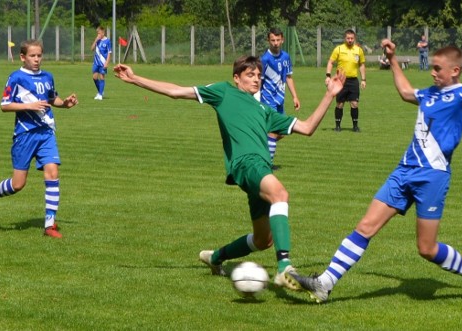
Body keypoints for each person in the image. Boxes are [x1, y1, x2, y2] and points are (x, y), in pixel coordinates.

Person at [287, 39, 462, 303]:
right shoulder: (428, 94)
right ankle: (325, 282)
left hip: (432, 177)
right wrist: (392, 59)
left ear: (455, 71)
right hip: (404, 171)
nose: (433, 72)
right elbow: (405, 92)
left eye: (438, 68)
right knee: (366, 226)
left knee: (426, 248)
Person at [113, 56, 345, 289]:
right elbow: (176, 92)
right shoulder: (224, 92)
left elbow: (307, 127)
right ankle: (285, 267)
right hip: (246, 164)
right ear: (236, 78)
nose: (256, 79)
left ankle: (214, 257)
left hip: (260, 168)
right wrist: (134, 79)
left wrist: (329, 94)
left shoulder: (264, 110)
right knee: (280, 194)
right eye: (250, 75)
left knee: (263, 240)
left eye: (258, 75)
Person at [0, 39, 79, 238]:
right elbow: (5, 105)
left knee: (52, 172)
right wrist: (29, 106)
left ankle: (49, 225)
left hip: (46, 132)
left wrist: (64, 103)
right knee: (18, 184)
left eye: (39, 55)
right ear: (23, 57)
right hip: (25, 134)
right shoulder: (16, 78)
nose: (37, 59)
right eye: (32, 56)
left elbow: (51, 99)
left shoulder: (48, 76)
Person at [259, 27, 301, 169]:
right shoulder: (265, 60)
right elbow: (259, 82)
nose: (275, 43)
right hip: (267, 100)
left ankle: (260, 146)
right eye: (273, 40)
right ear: (268, 41)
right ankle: (267, 164)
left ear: (282, 40)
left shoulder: (285, 57)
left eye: (278, 40)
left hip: (280, 100)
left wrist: (295, 97)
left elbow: (288, 77)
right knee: (274, 131)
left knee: (281, 131)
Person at [325, 29, 366, 132]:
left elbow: (361, 65)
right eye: (348, 38)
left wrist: (363, 79)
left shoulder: (358, 50)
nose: (350, 40)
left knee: (354, 104)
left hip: (353, 81)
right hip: (341, 81)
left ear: (354, 38)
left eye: (352, 38)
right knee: (339, 103)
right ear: (345, 38)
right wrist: (328, 76)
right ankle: (337, 126)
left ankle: (355, 126)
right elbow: (330, 62)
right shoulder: (338, 49)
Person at [91, 26, 112, 100]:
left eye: (99, 33)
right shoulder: (97, 40)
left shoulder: (107, 41)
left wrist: (107, 63)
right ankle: (100, 91)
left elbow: (109, 53)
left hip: (103, 63)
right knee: (94, 78)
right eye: (97, 33)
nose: (98, 35)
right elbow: (92, 49)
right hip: (96, 62)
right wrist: (95, 40)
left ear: (103, 33)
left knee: (102, 77)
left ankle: (100, 94)